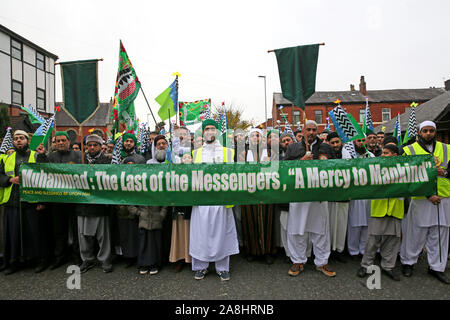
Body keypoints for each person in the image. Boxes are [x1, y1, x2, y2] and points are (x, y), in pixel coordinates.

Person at [284, 120, 337, 277]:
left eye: (314, 129)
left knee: (321, 230)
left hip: (319, 196)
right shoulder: (293, 147)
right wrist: (301, 162)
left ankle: (322, 262)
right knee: (297, 230)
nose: (311, 132)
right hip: (299, 196)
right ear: (303, 130)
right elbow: (283, 169)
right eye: (308, 129)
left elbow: (336, 167)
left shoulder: (326, 148)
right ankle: (298, 261)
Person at [400, 121, 450, 284]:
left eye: (431, 131)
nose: (428, 133)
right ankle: (408, 262)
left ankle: (437, 267)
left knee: (440, 233)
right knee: (415, 233)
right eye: (425, 131)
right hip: (421, 198)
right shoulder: (409, 150)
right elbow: (407, 176)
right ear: (419, 132)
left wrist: (445, 172)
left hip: (443, 197)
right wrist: (428, 194)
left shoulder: (446, 148)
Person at [190, 119, 239, 281]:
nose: (210, 131)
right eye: (207, 129)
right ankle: (200, 266)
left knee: (222, 233)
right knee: (200, 233)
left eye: (213, 129)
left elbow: (234, 175)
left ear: (217, 132)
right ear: (203, 132)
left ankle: (222, 267)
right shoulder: (195, 153)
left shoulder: (228, 152)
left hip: (221, 200)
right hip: (202, 200)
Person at [0, 131, 49, 274]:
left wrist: (43, 155)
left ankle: (39, 260)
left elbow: (46, 175)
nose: (18, 141)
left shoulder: (35, 155)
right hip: (12, 202)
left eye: (21, 138)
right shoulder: (6, 158)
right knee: (13, 234)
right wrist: (9, 180)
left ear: (27, 140)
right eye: (15, 139)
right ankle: (14, 261)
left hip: (32, 202)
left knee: (35, 233)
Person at [357, 144, 404, 281]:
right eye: (382, 152)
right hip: (379, 208)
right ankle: (366, 265)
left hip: (396, 208)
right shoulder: (375, 167)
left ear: (395, 155)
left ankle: (388, 266)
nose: (382, 155)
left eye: (386, 153)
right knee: (372, 239)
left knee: (392, 240)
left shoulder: (404, 168)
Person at [76, 134, 113, 273]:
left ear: (100, 146)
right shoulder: (80, 160)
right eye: (89, 145)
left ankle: (105, 259)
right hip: (82, 203)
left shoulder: (107, 161)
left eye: (95, 145)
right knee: (83, 235)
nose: (92, 147)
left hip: (100, 203)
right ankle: (87, 259)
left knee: (103, 236)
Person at [45, 131, 82, 269]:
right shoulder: (51, 157)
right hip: (57, 200)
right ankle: (60, 256)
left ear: (69, 141)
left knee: (76, 229)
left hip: (75, 199)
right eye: (58, 141)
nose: (60, 143)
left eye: (63, 140)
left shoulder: (78, 155)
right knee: (59, 230)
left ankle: (77, 255)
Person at [241, 128, 276, 264]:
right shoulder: (243, 154)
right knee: (250, 221)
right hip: (248, 191)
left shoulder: (270, 152)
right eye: (253, 136)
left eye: (258, 136)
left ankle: (268, 251)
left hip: (266, 191)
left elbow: (276, 171)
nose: (256, 138)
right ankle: (251, 250)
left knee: (267, 221)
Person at [342, 138, 374, 260]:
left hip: (368, 193)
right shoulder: (348, 153)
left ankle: (363, 249)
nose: (361, 143)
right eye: (358, 140)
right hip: (354, 193)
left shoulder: (370, 155)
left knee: (367, 224)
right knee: (355, 223)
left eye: (363, 140)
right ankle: (353, 250)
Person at [326, 132, 349, 263]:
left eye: (337, 142)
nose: (335, 145)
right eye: (332, 143)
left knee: (341, 224)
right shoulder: (326, 155)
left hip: (343, 195)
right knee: (329, 225)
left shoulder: (347, 153)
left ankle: (339, 250)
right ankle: (328, 251)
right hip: (330, 196)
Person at [169, 151, 193, 272]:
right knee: (178, 233)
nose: (187, 159)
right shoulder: (176, 174)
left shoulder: (196, 174)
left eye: (190, 157)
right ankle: (179, 258)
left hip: (191, 210)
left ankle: (190, 259)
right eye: (185, 157)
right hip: (178, 209)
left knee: (190, 233)